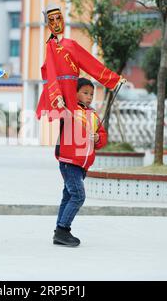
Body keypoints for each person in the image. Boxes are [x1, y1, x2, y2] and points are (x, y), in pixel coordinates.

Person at [36, 3, 125, 120]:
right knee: (59, 124)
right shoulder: (50, 46)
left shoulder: (71, 44)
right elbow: (51, 72)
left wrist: (114, 79)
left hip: (71, 88)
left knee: (73, 123)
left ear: (62, 19)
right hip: (57, 91)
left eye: (58, 18)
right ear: (48, 24)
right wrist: (56, 95)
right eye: (51, 20)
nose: (56, 23)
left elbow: (91, 64)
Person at [53, 78, 107, 247]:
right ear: (74, 93)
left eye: (91, 94)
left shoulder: (94, 115)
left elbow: (103, 136)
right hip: (70, 162)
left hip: (83, 164)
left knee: (68, 196)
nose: (89, 97)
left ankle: (59, 232)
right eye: (85, 93)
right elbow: (57, 108)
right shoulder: (69, 110)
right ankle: (63, 229)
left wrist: (98, 138)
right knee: (78, 195)